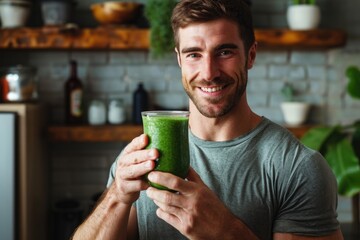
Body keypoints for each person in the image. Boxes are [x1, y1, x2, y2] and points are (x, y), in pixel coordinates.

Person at [72, 0, 343, 239]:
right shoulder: (138, 160)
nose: (209, 72)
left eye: (224, 52)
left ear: (250, 55)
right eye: (194, 54)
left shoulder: (296, 167)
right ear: (179, 60)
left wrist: (225, 232)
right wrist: (116, 198)